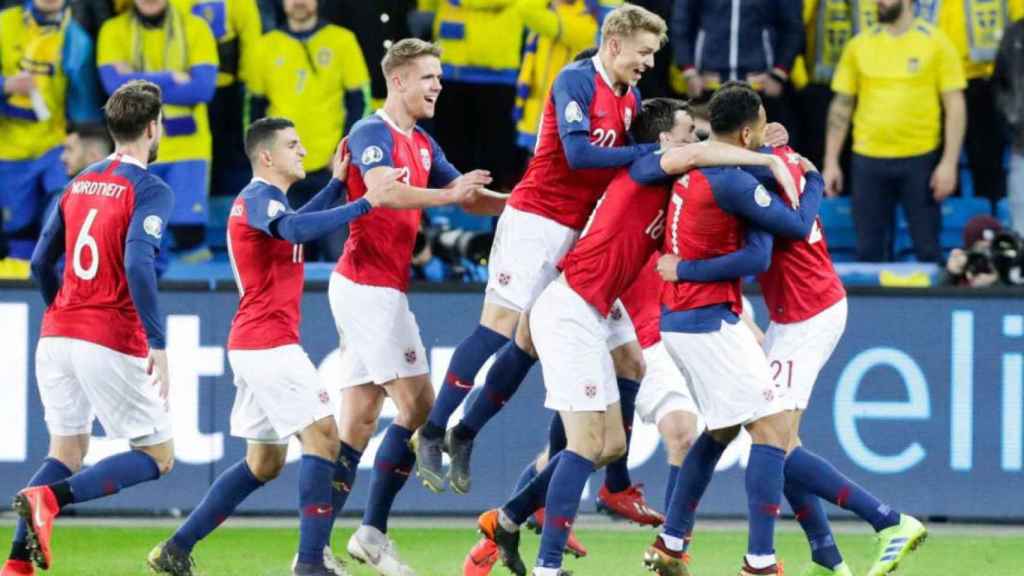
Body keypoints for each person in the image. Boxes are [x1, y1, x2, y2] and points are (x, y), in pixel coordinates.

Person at [470, 96, 797, 576]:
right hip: (572, 309)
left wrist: (771, 147)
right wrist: (764, 157)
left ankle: (508, 518)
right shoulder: (647, 168)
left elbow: (717, 163)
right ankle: (547, 566)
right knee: (583, 445)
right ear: (665, 142)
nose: (697, 140)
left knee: (606, 447)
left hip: (598, 315)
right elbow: (706, 156)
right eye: (689, 131)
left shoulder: (675, 186)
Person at [413, 4, 667, 502]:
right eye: (644, 52)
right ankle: (433, 430)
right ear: (614, 45)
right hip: (535, 221)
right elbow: (578, 156)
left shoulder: (631, 98)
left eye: (653, 54)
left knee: (609, 357)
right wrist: (647, 155)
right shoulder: (575, 81)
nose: (649, 63)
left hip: (579, 236)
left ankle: (466, 433)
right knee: (498, 330)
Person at [144, 118, 400, 576]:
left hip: (255, 343)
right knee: (324, 436)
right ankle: (309, 563)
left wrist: (339, 186)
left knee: (264, 462)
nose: (303, 151)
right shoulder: (258, 198)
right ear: (267, 156)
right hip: (268, 344)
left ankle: (176, 548)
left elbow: (296, 225)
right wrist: (364, 202)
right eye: (293, 145)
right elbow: (295, 232)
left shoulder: (271, 203)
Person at [662, 140, 927, 575]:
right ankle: (825, 556)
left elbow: (770, 245)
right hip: (797, 312)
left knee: (773, 441)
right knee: (777, 442)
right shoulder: (777, 159)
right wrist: (812, 174)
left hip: (807, 314)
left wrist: (685, 269)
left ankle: (888, 521)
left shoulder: (755, 177)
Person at [326, 38, 496, 576]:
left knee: (355, 425)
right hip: (366, 287)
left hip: (383, 288)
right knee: (420, 405)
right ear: (397, 80)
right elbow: (383, 192)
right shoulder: (370, 132)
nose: (437, 86)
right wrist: (449, 198)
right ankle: (372, 533)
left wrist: (535, 210)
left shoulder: (422, 144)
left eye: (439, 78)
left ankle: (313, 550)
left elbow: (466, 193)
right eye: (428, 77)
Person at [643, 82, 819, 576]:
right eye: (760, 125)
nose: (764, 134)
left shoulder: (693, 165)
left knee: (718, 431)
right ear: (745, 131)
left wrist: (765, 151)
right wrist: (815, 177)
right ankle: (760, 560)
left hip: (684, 318)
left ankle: (672, 540)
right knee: (772, 430)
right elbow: (782, 237)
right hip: (705, 318)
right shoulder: (735, 182)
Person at [4, 80, 174, 576]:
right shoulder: (150, 188)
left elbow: (39, 262)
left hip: (56, 332)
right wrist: (157, 341)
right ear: (152, 127)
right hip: (108, 334)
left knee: (67, 450)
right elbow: (139, 263)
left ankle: (15, 566)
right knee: (158, 455)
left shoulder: (77, 182)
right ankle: (50, 499)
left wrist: (62, 310)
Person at [823, 0, 966, 262]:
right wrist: (831, 162)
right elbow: (841, 106)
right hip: (868, 160)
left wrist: (949, 163)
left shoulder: (936, 42)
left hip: (920, 160)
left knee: (927, 250)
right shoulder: (859, 45)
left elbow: (955, 105)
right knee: (868, 252)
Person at [248, 0, 371, 261]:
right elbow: (253, 109)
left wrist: (344, 151)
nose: (299, 2)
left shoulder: (342, 40)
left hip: (331, 171)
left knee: (342, 259)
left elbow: (362, 101)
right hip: (283, 175)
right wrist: (264, 161)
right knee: (285, 261)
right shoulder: (264, 45)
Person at [97, 0, 219, 259]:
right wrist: (172, 78)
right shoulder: (112, 30)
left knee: (189, 238)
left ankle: (194, 301)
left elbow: (203, 88)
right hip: (135, 149)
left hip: (188, 149)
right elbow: (113, 88)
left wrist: (134, 79)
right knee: (133, 238)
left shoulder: (196, 28)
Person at [0, 0, 101, 264]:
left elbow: (84, 104)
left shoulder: (77, 40)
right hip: (7, 152)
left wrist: (84, 141)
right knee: (17, 237)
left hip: (53, 148)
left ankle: (67, 295)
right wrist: (5, 85)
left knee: (62, 215)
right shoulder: (5, 23)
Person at [671, 0, 803, 139]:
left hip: (760, 87)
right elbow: (680, 23)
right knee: (709, 154)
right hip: (708, 86)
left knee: (763, 151)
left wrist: (778, 73)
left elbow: (793, 27)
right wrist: (689, 71)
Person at [933, 0, 1023, 203]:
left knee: (988, 167)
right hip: (939, 82)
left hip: (985, 81)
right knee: (942, 169)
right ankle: (948, 224)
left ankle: (991, 226)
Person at [995, 15, 1024, 234]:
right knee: (1021, 230)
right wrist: (1012, 118)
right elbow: (1000, 86)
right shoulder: (1014, 34)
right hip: (1022, 148)